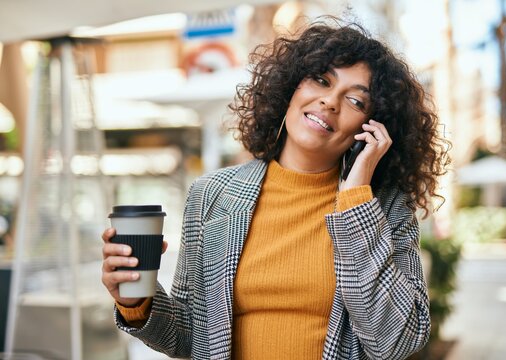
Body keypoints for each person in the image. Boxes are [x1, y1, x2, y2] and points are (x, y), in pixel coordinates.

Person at [101, 17, 450, 360]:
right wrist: (137, 302)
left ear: (373, 126)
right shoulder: (212, 195)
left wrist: (356, 199)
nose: (330, 102)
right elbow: (191, 336)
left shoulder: (384, 207)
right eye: (320, 80)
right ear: (290, 88)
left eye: (356, 101)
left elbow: (397, 342)